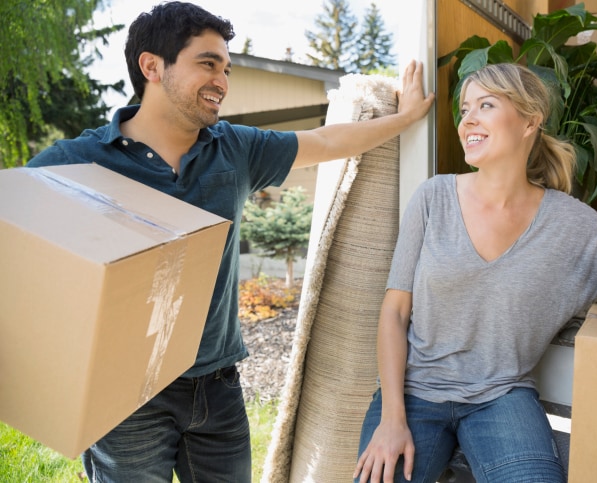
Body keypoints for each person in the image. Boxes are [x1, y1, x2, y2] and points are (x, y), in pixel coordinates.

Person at [27, 2, 434, 481]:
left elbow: (325, 142)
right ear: (152, 66)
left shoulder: (234, 149)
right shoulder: (81, 160)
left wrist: (405, 119)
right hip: (125, 400)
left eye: (226, 68)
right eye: (207, 63)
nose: (221, 80)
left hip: (218, 389)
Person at [353, 62, 597, 483]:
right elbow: (395, 312)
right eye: (465, 108)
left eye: (486, 105)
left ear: (530, 120)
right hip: (414, 393)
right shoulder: (433, 197)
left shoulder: (574, 226)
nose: (467, 120)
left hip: (501, 397)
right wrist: (392, 419)